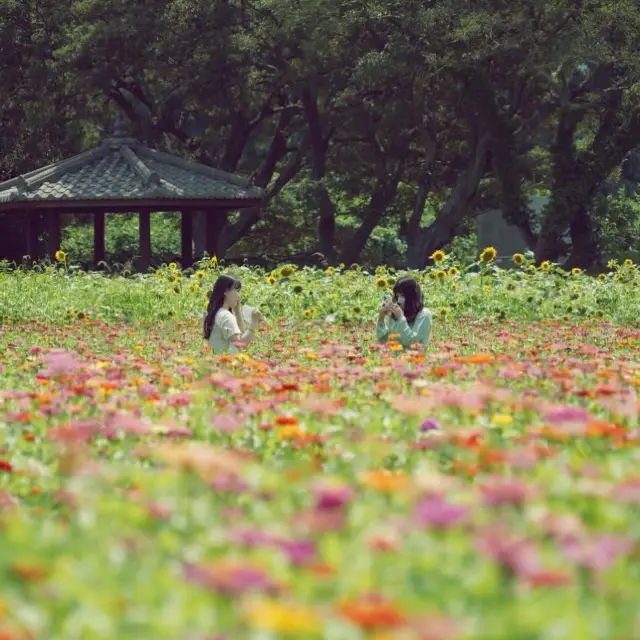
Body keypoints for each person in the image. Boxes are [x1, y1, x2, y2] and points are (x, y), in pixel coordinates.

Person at [203, 274, 263, 354]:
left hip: (216, 361)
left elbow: (241, 335)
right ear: (226, 292)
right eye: (237, 291)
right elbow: (241, 344)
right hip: (226, 363)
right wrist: (254, 323)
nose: (239, 296)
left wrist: (237, 310)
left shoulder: (217, 313)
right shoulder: (226, 316)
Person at [376, 277, 432, 349]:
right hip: (393, 358)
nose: (399, 299)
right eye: (397, 295)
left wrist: (401, 318)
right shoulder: (396, 313)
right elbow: (383, 341)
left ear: (411, 297)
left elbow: (411, 342)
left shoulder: (424, 314)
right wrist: (381, 318)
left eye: (402, 295)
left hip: (414, 358)